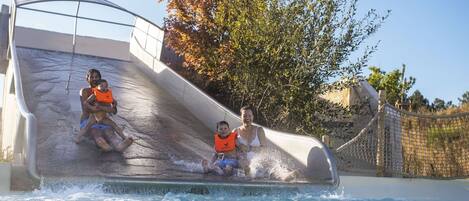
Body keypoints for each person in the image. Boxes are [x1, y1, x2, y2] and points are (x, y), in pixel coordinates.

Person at [235, 105, 298, 181]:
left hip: (257, 161)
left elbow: (264, 150)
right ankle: (248, 173)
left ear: (253, 117)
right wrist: (239, 147)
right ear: (240, 117)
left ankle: (284, 176)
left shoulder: (259, 130)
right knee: (246, 165)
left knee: (270, 165)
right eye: (244, 116)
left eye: (249, 115)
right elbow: (231, 149)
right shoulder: (235, 131)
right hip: (243, 162)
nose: (247, 118)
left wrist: (250, 148)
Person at [78, 69, 132, 152]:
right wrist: (100, 108)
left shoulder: (105, 92)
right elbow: (86, 109)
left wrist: (110, 106)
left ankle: (119, 145)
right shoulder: (85, 91)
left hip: (104, 120)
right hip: (89, 121)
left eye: (96, 77)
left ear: (100, 79)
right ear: (87, 79)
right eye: (91, 77)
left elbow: (114, 111)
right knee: (96, 132)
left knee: (110, 133)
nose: (94, 79)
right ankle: (104, 145)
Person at [75, 79, 128, 144]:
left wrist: (114, 103)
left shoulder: (108, 95)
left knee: (114, 125)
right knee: (87, 127)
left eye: (106, 86)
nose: (104, 88)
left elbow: (113, 104)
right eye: (102, 86)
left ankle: (124, 137)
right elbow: (86, 103)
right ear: (97, 87)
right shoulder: (94, 95)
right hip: (94, 116)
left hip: (104, 117)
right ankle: (77, 138)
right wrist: (92, 107)